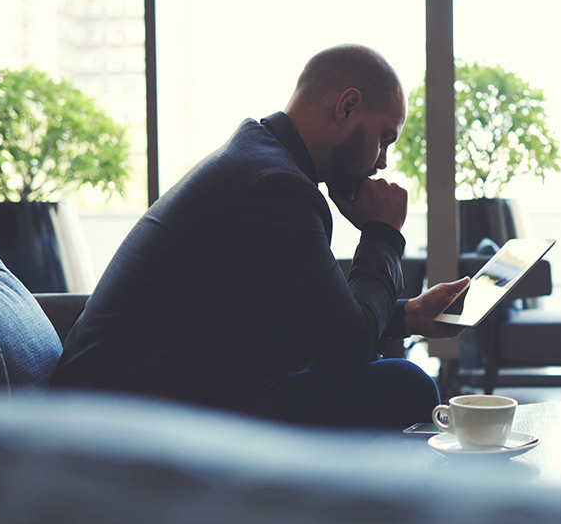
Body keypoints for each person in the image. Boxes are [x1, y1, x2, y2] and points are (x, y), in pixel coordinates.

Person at [51, 44, 468, 428]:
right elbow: (346, 346)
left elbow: (313, 320)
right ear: (347, 107)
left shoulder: (261, 159)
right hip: (132, 416)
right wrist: (382, 233)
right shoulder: (274, 185)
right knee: (403, 386)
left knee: (388, 379)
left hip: (139, 395)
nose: (382, 162)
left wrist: (406, 315)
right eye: (383, 138)